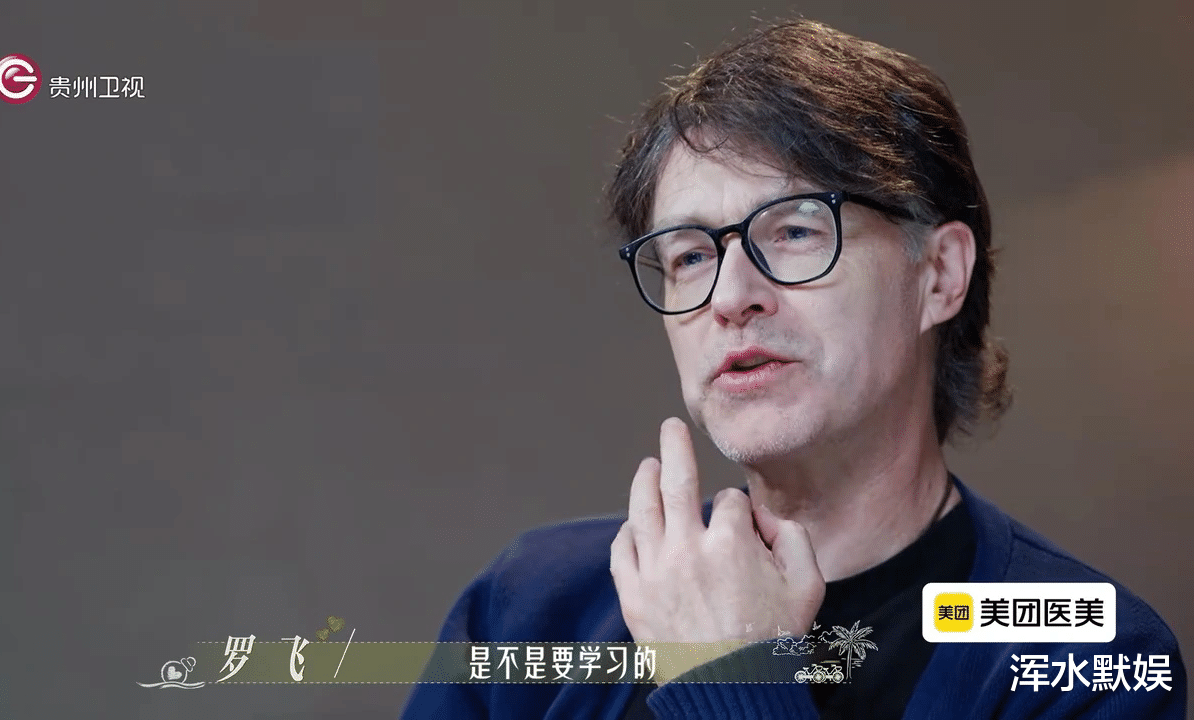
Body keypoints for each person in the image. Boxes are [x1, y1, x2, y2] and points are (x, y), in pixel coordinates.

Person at [402, 18, 1186, 719]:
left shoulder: (1087, 655)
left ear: (940, 274)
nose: (730, 297)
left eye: (797, 231)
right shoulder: (533, 609)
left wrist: (729, 677)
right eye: (690, 255)